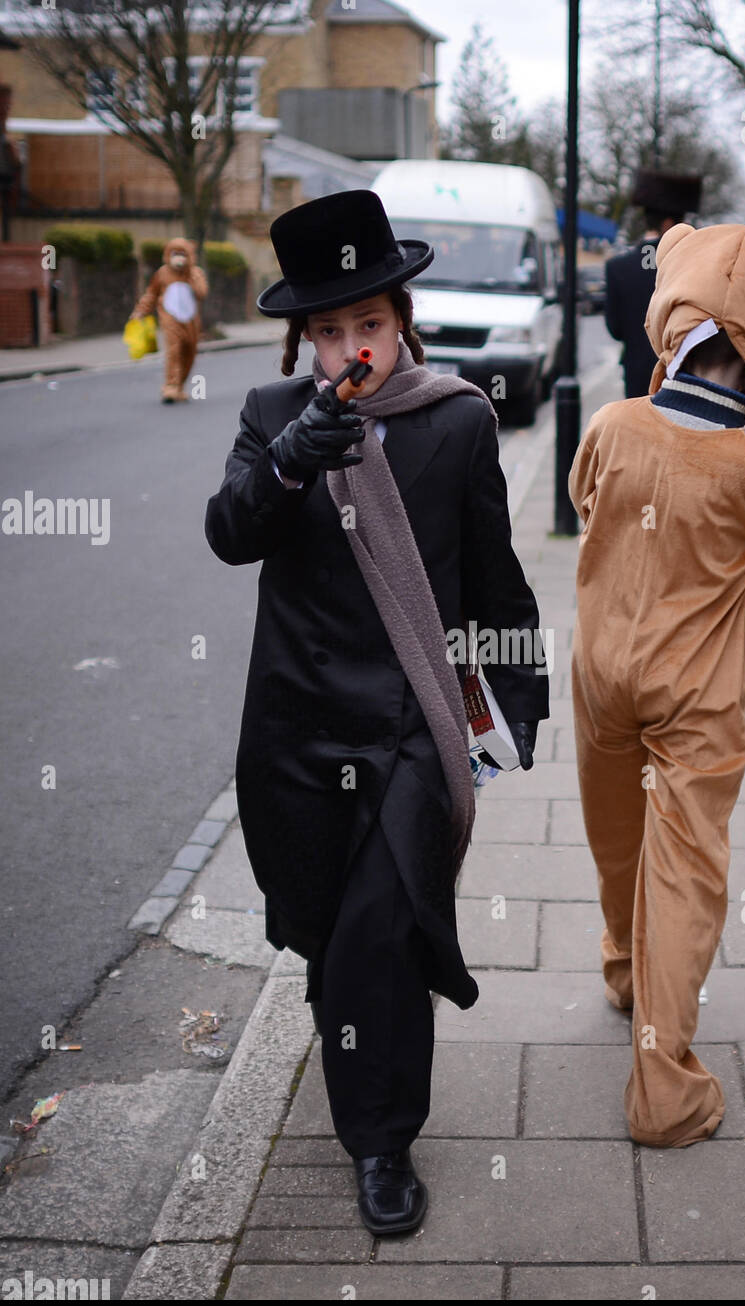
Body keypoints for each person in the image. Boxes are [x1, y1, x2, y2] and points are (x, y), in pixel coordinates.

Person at [204, 190, 549, 1234]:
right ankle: (353, 1035)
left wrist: (512, 704)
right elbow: (228, 533)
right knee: (323, 934)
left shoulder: (455, 420)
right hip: (296, 728)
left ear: (401, 316)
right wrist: (294, 457)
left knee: (384, 934)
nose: (349, 346)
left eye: (368, 322)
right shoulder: (272, 420)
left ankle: (380, 1140)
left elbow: (492, 576)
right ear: (301, 336)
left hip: (406, 726)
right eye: (327, 329)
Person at [569, 222, 745, 1147]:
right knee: (682, 874)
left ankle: (624, 972)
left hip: (602, 675)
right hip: (696, 704)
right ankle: (663, 1088)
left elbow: (584, 500)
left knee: (618, 844)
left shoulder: (612, 425)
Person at [604, 169, 702, 398]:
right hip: (684, 379)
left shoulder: (617, 267)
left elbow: (615, 329)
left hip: (637, 378)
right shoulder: (692, 266)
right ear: (669, 224)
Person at [130, 237, 208, 403]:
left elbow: (202, 293)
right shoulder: (163, 273)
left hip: (190, 321)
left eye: (182, 254)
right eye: (175, 254)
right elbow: (151, 294)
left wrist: (190, 276)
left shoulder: (195, 273)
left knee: (189, 352)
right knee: (174, 350)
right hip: (170, 319)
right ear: (168, 255)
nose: (179, 258)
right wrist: (140, 312)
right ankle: (170, 386)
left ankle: (179, 386)